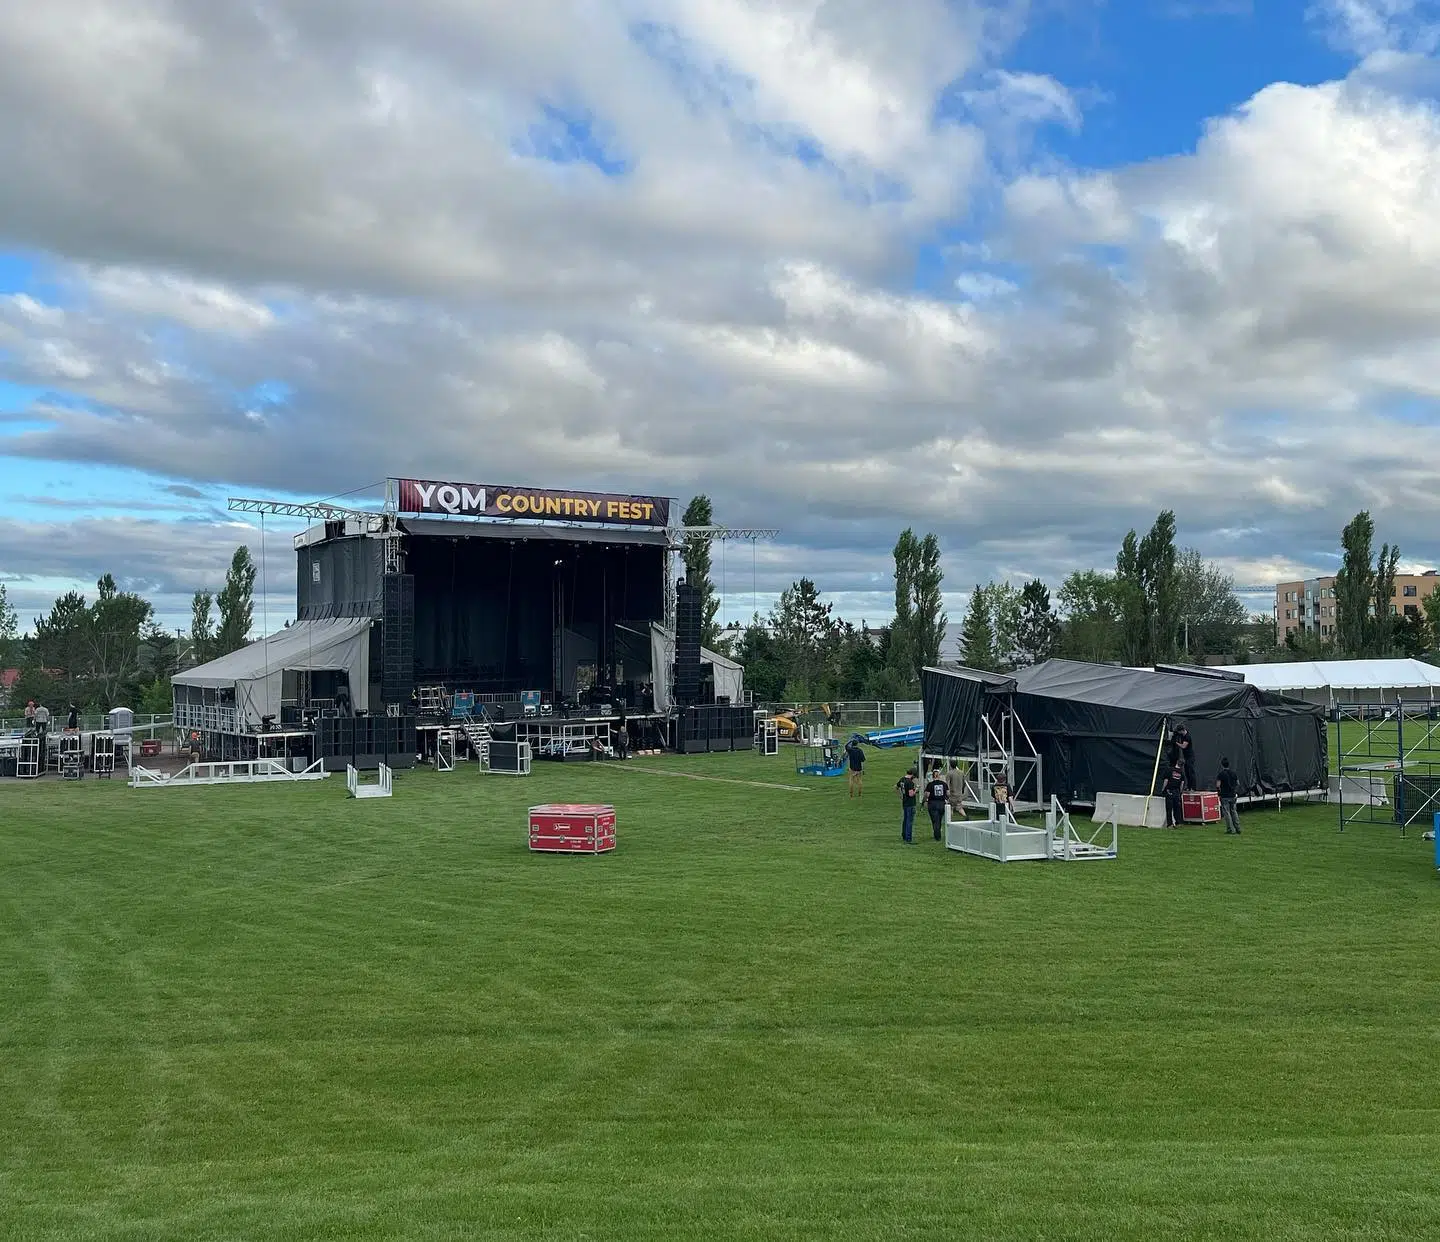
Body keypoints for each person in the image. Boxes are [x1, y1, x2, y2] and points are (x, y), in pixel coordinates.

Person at [1216, 757, 1241, 834]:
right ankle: (1238, 828)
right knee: (1234, 811)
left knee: (1227, 813)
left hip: (1224, 796)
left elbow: (1218, 785)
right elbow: (1238, 783)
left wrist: (1219, 793)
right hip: (1233, 795)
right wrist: (1234, 790)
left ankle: (1230, 829)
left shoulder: (1221, 774)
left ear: (1222, 765)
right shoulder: (1234, 773)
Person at [924, 764, 949, 841]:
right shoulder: (944, 784)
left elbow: (927, 795)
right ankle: (937, 832)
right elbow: (948, 793)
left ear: (933, 776)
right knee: (939, 819)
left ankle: (937, 835)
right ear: (939, 776)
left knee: (935, 820)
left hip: (932, 803)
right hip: (941, 803)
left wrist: (924, 801)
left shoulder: (930, 785)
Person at [895, 767, 918, 844]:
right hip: (910, 803)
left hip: (904, 802)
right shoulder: (910, 782)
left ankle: (904, 835)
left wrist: (900, 796)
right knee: (909, 821)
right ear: (913, 775)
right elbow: (911, 794)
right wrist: (916, 790)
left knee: (905, 819)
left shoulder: (902, 779)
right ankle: (908, 838)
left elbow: (896, 787)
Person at [1171, 724, 1197, 790]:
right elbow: (1176, 732)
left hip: (1190, 757)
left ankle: (1193, 787)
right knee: (1187, 772)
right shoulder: (1182, 734)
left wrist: (1176, 743)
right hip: (1186, 757)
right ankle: (1188, 786)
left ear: (1182, 730)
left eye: (1179, 731)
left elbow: (1183, 746)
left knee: (1191, 772)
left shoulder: (1187, 737)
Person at [1162, 762, 1186, 828]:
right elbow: (1182, 784)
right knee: (1177, 808)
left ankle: (1170, 824)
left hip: (1169, 791)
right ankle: (1178, 822)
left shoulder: (1169, 770)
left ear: (1176, 763)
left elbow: (1166, 781)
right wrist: (1180, 792)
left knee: (1169, 809)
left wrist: (1163, 789)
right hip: (1177, 792)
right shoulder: (1182, 772)